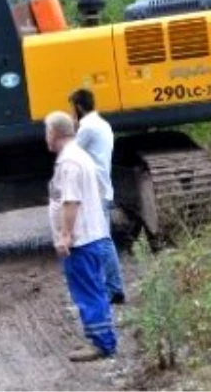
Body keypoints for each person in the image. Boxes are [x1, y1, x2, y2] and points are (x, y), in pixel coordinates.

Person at [45, 111, 118, 362]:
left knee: (88, 292)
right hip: (92, 237)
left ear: (53, 134)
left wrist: (65, 236)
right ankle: (103, 338)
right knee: (94, 289)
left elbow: (71, 201)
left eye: (47, 132)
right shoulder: (79, 155)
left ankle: (102, 344)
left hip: (82, 240)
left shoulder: (70, 163)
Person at [69, 88, 126, 305]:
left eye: (72, 108)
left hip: (94, 191)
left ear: (79, 107)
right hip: (100, 187)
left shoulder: (87, 127)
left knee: (102, 240)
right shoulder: (102, 124)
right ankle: (109, 286)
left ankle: (114, 289)